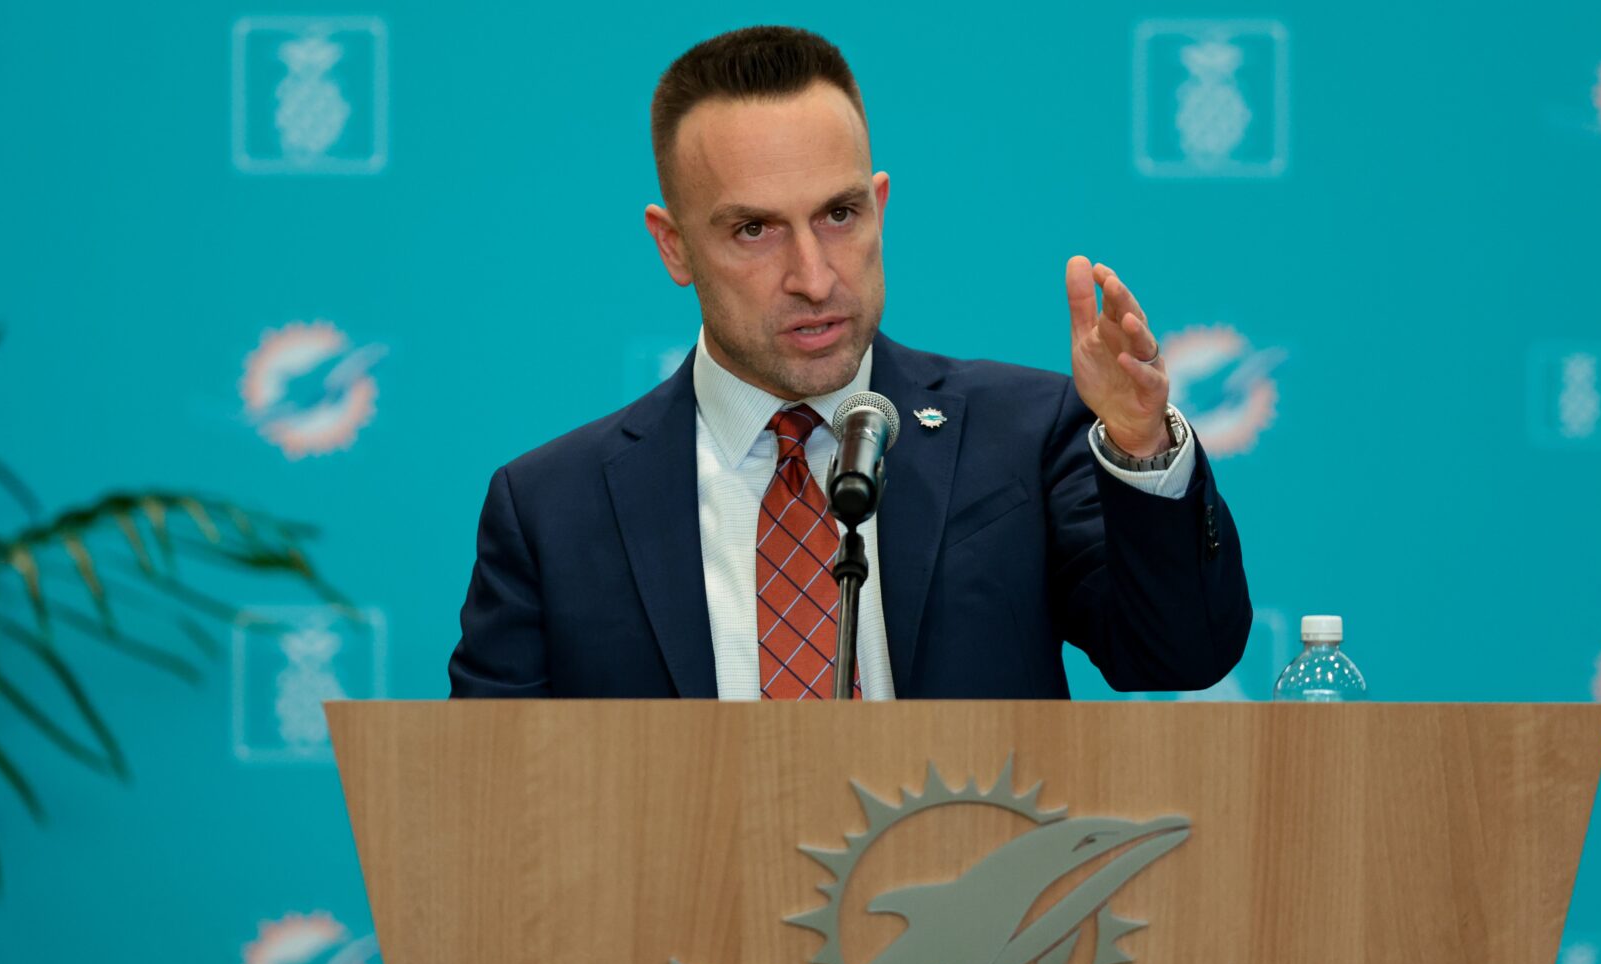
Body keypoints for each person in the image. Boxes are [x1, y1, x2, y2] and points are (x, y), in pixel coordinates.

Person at [449, 25, 1251, 699]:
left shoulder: (1024, 434)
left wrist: (1142, 442)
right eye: (753, 230)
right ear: (674, 246)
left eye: (838, 215)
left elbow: (1180, 654)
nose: (814, 277)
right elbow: (490, 811)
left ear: (880, 207)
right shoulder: (552, 511)